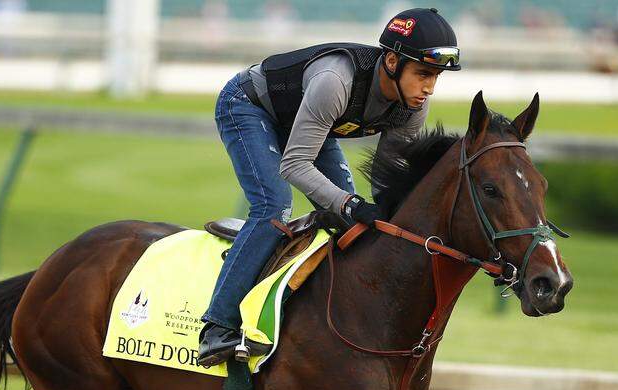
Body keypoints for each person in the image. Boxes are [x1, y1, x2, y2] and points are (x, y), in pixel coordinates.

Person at [198, 7, 462, 367]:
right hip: (247, 106)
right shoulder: (336, 81)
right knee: (274, 206)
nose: (429, 88)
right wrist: (350, 203)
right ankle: (218, 326)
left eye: (436, 77)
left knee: (349, 223)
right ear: (390, 62)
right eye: (423, 74)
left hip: (305, 121)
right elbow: (294, 164)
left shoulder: (412, 107)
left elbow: (387, 184)